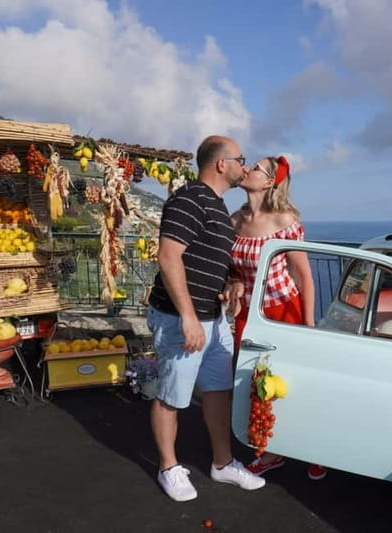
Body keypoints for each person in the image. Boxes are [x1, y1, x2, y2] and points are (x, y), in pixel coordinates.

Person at [147, 135, 265, 502]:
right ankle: (169, 468)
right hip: (181, 318)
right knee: (172, 394)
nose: (244, 166)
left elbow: (215, 260)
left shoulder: (215, 208)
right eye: (240, 159)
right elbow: (169, 257)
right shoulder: (189, 199)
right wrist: (187, 316)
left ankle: (222, 463)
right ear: (220, 164)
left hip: (213, 319)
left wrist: (232, 282)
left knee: (217, 390)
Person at [226, 155, 327, 480]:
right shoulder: (234, 221)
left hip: (285, 310)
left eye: (255, 167)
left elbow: (304, 275)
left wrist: (308, 325)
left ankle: (313, 448)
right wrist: (236, 283)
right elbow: (232, 271)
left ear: (269, 182)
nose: (247, 169)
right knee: (254, 385)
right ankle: (272, 452)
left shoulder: (284, 220)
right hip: (249, 315)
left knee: (295, 384)